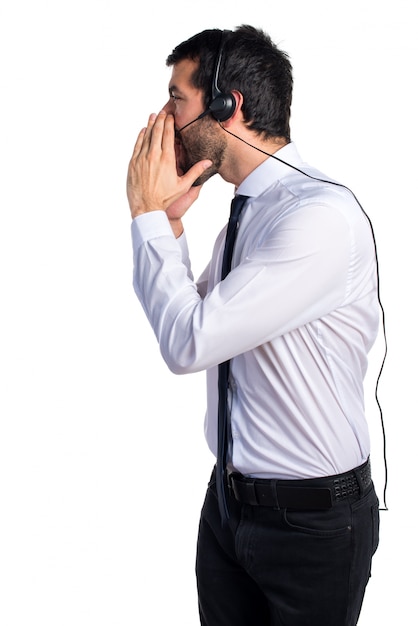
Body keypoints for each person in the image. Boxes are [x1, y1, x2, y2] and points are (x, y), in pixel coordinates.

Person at [126, 25, 380, 626]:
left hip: (311, 524)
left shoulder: (317, 218)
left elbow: (189, 343)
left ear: (226, 105)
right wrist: (170, 227)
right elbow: (197, 320)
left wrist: (146, 218)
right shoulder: (250, 213)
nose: (162, 119)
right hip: (229, 505)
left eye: (176, 99)